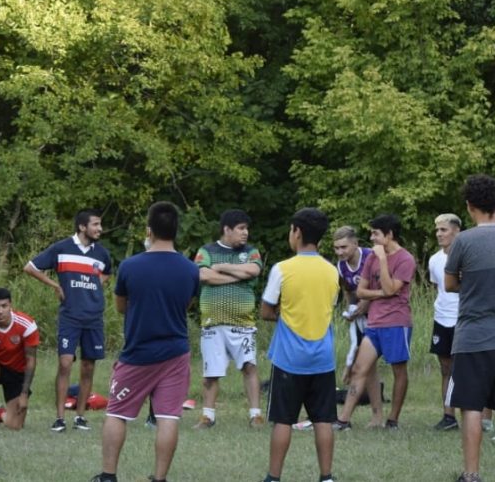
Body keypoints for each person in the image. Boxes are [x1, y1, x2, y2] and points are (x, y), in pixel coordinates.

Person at [91, 201, 200, 482]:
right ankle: (159, 478)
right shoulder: (190, 269)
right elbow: (187, 304)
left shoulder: (130, 266)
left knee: (117, 412)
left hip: (137, 352)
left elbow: (120, 305)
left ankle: (108, 475)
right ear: (176, 230)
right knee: (168, 417)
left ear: (148, 230)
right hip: (176, 352)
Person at [443, 174, 495, 482]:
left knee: (471, 407)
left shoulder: (463, 240)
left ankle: (472, 473)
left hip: (472, 337)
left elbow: (451, 282)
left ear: (469, 206)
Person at [260, 208, 340, 482]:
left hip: (288, 358)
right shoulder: (332, 271)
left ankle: (273, 477)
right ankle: (326, 476)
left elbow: (266, 311)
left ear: (297, 232)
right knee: (323, 419)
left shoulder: (282, 269)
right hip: (323, 357)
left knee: (283, 420)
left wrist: (285, 314)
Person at [24, 209, 112, 432]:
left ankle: (80, 417)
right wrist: (55, 285)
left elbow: (106, 273)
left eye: (100, 225)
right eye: (95, 224)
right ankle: (60, 418)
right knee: (64, 364)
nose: (99, 229)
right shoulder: (62, 248)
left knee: (88, 367)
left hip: (93, 318)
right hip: (70, 316)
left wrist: (95, 287)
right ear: (82, 227)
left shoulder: (102, 254)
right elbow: (30, 267)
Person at [335, 214, 416, 431]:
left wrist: (382, 261)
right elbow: (360, 291)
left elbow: (391, 289)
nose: (371, 238)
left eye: (376, 233)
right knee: (360, 368)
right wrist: (382, 292)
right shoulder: (371, 258)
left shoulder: (405, 259)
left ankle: (393, 420)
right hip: (374, 322)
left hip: (397, 322)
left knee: (398, 370)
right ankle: (343, 420)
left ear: (389, 235)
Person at [194, 209, 265, 428]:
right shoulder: (206, 251)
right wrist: (236, 278)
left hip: (243, 324)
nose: (246, 233)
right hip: (212, 324)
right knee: (210, 374)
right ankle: (208, 416)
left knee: (249, 367)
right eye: (241, 228)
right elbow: (202, 274)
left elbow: (253, 271)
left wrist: (222, 268)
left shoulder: (251, 251)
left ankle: (255, 415)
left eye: (246, 228)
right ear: (227, 229)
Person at [332, 226, 384, 427]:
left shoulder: (371, 257)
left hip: (382, 317)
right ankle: (376, 416)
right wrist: (350, 310)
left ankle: (387, 418)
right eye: (336, 248)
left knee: (365, 366)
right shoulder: (341, 266)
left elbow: (382, 286)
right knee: (367, 367)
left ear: (355, 243)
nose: (340, 252)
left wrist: (366, 304)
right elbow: (349, 290)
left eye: (344, 247)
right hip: (362, 319)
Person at [0, 288, 39, 430]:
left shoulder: (27, 325)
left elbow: (31, 361)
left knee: (15, 426)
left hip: (17, 374)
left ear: (10, 305)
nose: (0, 311)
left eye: (4, 306)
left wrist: (24, 394)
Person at [429, 213, 462, 431]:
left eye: (444, 230)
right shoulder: (434, 259)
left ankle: (477, 413)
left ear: (456, 231)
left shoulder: (467, 255)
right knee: (445, 367)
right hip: (442, 317)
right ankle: (448, 416)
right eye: (437, 230)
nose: (439, 234)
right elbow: (438, 287)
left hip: (463, 317)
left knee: (467, 367)